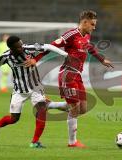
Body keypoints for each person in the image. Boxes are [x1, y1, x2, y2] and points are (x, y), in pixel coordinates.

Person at [24, 10, 113, 148]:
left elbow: (90, 48)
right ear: (84, 22)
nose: (94, 27)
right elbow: (51, 46)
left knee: (82, 108)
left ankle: (49, 105)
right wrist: (36, 59)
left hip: (77, 75)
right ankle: (72, 142)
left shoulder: (86, 36)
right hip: (67, 75)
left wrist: (101, 59)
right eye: (92, 24)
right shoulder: (71, 34)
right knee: (75, 109)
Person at [0, 36, 69, 148]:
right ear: (12, 48)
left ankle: (35, 142)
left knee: (41, 112)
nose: (21, 47)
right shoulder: (6, 56)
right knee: (14, 119)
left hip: (35, 88)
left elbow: (48, 46)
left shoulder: (29, 48)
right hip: (19, 91)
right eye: (18, 47)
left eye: (21, 44)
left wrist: (65, 54)